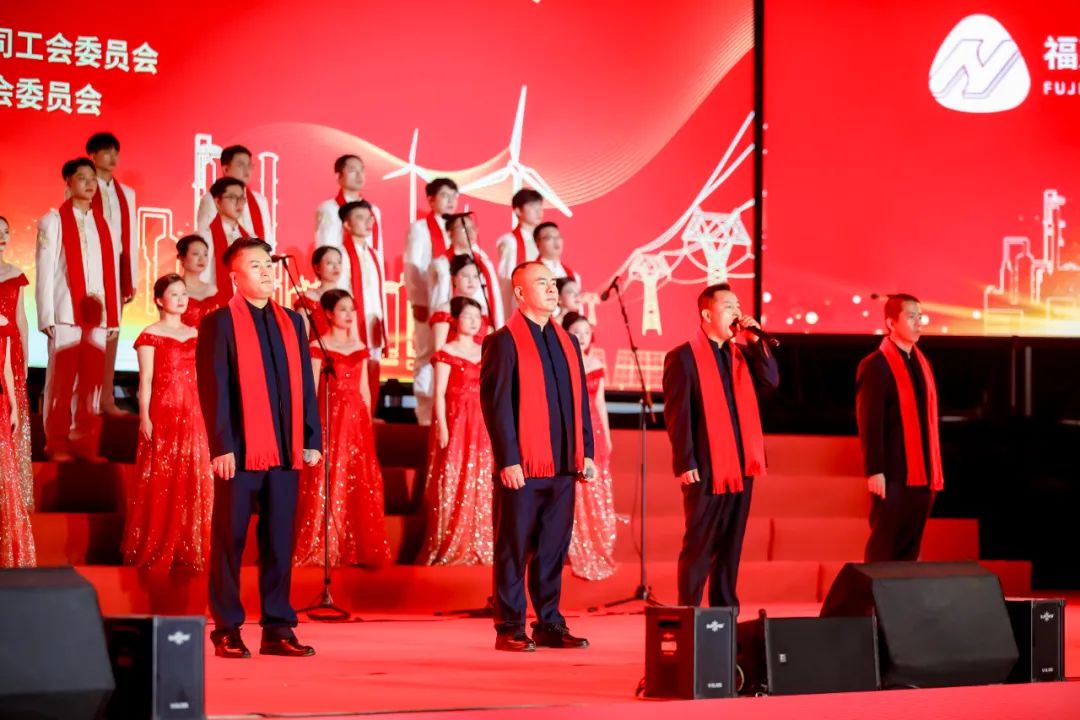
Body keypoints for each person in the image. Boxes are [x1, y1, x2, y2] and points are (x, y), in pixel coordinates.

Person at [196, 238, 321, 659]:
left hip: (285, 450)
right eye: (255, 265)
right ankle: (227, 629)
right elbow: (214, 389)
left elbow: (305, 385)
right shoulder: (219, 323)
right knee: (229, 541)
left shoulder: (292, 322)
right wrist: (221, 446)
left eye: (269, 263)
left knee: (279, 540)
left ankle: (277, 628)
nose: (267, 271)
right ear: (235, 277)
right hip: (239, 452)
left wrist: (311, 437)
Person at [480, 261, 596, 652]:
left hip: (564, 464)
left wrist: (586, 451)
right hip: (523, 467)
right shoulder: (503, 341)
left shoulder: (568, 342)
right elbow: (496, 406)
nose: (551, 289)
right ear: (519, 292)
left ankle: (549, 623)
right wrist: (507, 459)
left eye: (553, 283)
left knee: (552, 548)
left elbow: (580, 402)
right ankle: (509, 626)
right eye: (541, 282)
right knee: (513, 547)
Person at [662, 283, 778, 611]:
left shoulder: (742, 355)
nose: (736, 313)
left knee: (731, 545)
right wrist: (685, 461)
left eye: (737, 306)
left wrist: (755, 340)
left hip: (742, 464)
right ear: (707, 314)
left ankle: (725, 612)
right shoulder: (683, 357)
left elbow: (771, 381)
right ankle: (690, 613)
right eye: (728, 307)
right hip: (705, 465)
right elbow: (678, 415)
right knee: (700, 544)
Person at [293, 289, 391, 568]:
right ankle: (324, 544)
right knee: (328, 477)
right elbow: (311, 391)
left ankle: (354, 546)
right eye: (343, 309)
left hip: (356, 421)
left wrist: (367, 421)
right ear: (328, 313)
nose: (349, 315)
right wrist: (310, 427)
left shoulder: (359, 347)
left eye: (352, 309)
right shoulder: (317, 346)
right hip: (329, 419)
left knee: (357, 478)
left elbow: (365, 390)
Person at [123, 274, 213, 570]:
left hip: (194, 411)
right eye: (174, 294)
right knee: (163, 477)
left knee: (193, 476)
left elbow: (203, 378)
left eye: (184, 293)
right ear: (159, 300)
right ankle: (159, 544)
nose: (181, 299)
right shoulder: (150, 334)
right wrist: (144, 417)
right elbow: (146, 380)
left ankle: (190, 545)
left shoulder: (196, 334)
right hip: (164, 410)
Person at [37, 157, 121, 463]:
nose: (89, 183)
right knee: (61, 382)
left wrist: (113, 316)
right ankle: (56, 442)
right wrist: (46, 314)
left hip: (97, 316)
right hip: (65, 312)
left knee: (91, 385)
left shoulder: (104, 223)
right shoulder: (54, 221)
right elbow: (45, 269)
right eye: (82, 178)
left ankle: (85, 444)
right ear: (68, 182)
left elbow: (111, 272)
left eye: (92, 178)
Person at [856, 293, 943, 562]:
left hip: (923, 473)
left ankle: (904, 590)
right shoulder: (876, 365)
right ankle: (874, 590)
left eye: (920, 317)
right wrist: (874, 469)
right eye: (911, 316)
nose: (918, 323)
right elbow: (870, 421)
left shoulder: (923, 364)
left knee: (910, 547)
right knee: (885, 544)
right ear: (891, 323)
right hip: (892, 473)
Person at [423, 296, 493, 566]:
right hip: (457, 420)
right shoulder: (447, 351)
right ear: (455, 320)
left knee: (481, 477)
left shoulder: (486, 350)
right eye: (468, 316)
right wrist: (442, 426)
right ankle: (453, 541)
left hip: (482, 421)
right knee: (456, 476)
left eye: (478, 317)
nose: (474, 322)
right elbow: (439, 394)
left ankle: (480, 541)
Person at [562, 312, 616, 581]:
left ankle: (595, 539)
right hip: (571, 431)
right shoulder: (562, 363)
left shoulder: (595, 363)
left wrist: (607, 435)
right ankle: (571, 542)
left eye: (586, 332)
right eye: (576, 331)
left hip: (594, 429)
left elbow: (600, 404)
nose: (582, 337)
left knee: (595, 487)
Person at [317, 200, 385, 413]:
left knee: (372, 370)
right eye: (360, 218)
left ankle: (368, 418)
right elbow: (339, 294)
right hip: (351, 322)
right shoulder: (341, 255)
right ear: (346, 224)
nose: (368, 222)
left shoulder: (374, 254)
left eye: (370, 218)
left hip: (373, 321)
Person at [87, 132, 137, 417]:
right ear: (93, 156)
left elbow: (130, 238)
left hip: (116, 272)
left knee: (111, 336)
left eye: (115, 152)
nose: (113, 157)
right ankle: (84, 401)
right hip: (89, 270)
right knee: (87, 336)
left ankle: (106, 399)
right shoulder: (82, 186)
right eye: (106, 151)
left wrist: (131, 279)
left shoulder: (126, 194)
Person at [404, 178, 458, 426]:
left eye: (454, 196)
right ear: (431, 199)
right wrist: (418, 300)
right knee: (427, 355)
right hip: (429, 303)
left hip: (454, 306)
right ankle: (425, 415)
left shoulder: (457, 228)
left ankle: (447, 414)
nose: (451, 200)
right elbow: (413, 266)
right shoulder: (420, 228)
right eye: (445, 195)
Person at [0, 214, 34, 568]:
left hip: (10, 350)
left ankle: (14, 490)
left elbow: (21, 319)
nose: (2, 237)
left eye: (6, 232)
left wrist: (25, 356)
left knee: (13, 422)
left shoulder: (16, 274)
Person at [430, 212, 503, 334]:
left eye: (473, 228)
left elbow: (496, 300)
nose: (470, 232)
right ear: (449, 233)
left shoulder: (485, 263)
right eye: (464, 228)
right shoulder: (441, 264)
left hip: (483, 328)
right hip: (453, 330)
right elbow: (438, 301)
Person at [197, 144, 275, 248]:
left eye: (249, 165)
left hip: (256, 255)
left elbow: (268, 240)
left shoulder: (260, 200)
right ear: (226, 169)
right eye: (240, 165)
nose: (247, 170)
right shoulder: (212, 199)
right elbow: (204, 241)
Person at [198, 177, 251, 306]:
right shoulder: (205, 236)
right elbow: (201, 277)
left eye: (242, 198)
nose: (239, 203)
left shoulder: (250, 239)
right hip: (215, 305)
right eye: (233, 197)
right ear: (217, 201)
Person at [315, 154, 383, 252]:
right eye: (352, 170)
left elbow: (378, 249)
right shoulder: (329, 208)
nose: (359, 175)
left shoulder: (373, 210)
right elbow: (324, 248)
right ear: (338, 176)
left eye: (362, 170)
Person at [495, 189, 544, 315]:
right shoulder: (510, 242)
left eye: (540, 206)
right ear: (518, 210)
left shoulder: (544, 240)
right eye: (532, 206)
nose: (538, 211)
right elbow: (506, 282)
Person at [430, 255, 492, 350]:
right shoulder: (446, 310)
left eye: (475, 276)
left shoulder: (483, 311)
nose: (471, 281)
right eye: (465, 276)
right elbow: (439, 349)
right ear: (453, 279)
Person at [292, 246, 343, 341]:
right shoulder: (308, 299)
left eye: (339, 262)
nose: (336, 267)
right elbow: (302, 338)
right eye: (329, 263)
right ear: (317, 268)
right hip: (315, 350)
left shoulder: (346, 298)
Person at [176, 234, 221, 330]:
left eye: (205, 254)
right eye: (196, 254)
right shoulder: (173, 289)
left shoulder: (213, 290)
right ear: (182, 257)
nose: (202, 259)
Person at [535, 222, 581, 287]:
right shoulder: (531, 272)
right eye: (549, 238)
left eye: (558, 237)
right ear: (537, 243)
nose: (556, 241)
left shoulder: (574, 276)